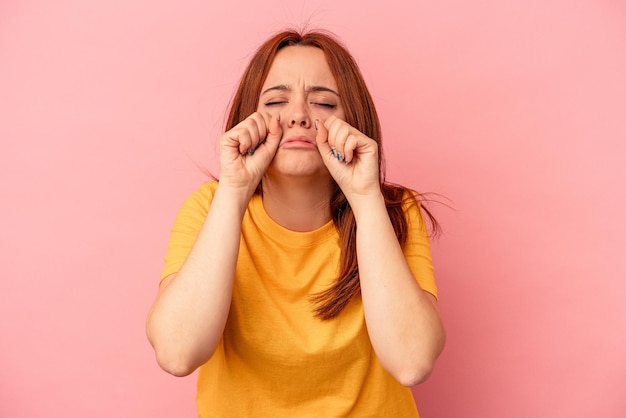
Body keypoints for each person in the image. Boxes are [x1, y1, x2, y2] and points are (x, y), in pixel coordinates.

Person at [146, 28, 446, 417]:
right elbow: (177, 352)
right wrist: (235, 189)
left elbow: (413, 360)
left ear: (353, 121)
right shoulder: (209, 208)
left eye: (323, 103)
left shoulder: (393, 210)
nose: (299, 116)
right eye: (276, 101)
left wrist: (365, 196)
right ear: (247, 119)